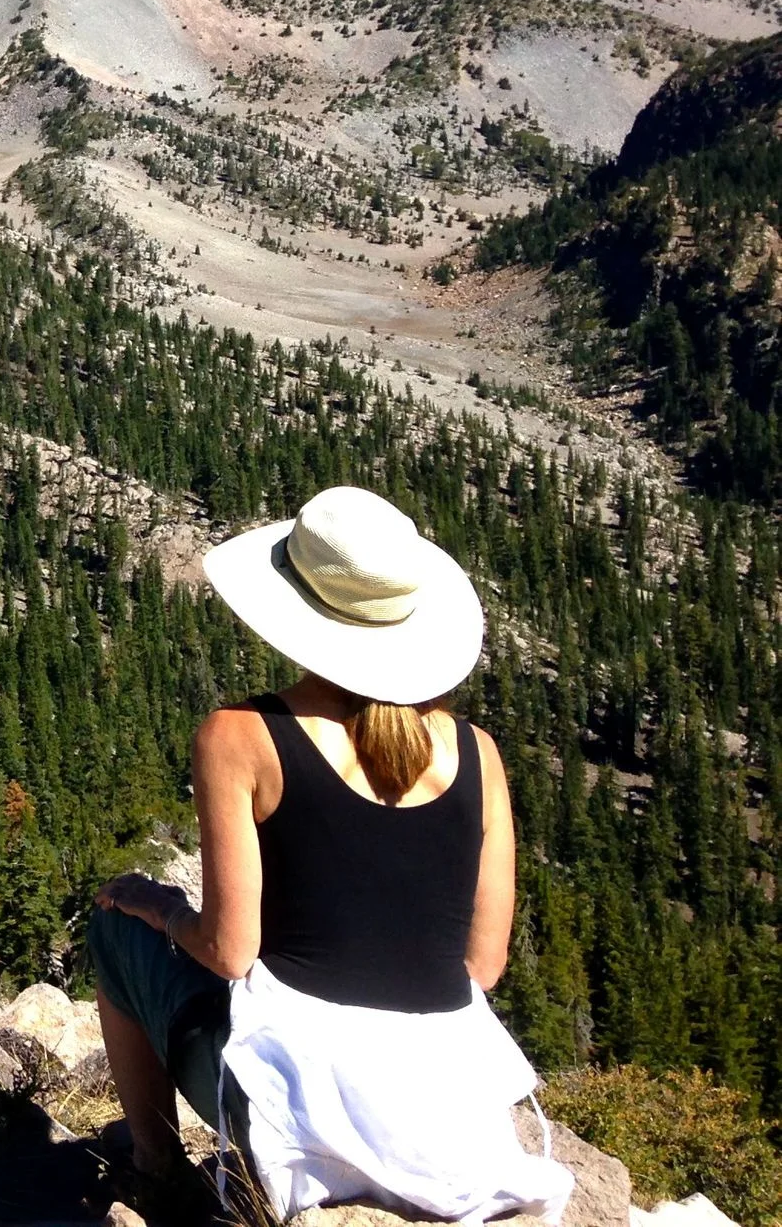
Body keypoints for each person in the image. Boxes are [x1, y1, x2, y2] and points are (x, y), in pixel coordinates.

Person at [87, 486, 573, 1225]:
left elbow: (228, 948)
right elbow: (481, 966)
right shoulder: (479, 754)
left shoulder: (240, 736)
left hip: (303, 1118)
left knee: (116, 930)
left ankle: (156, 1169)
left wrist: (155, 904)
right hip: (448, 1132)